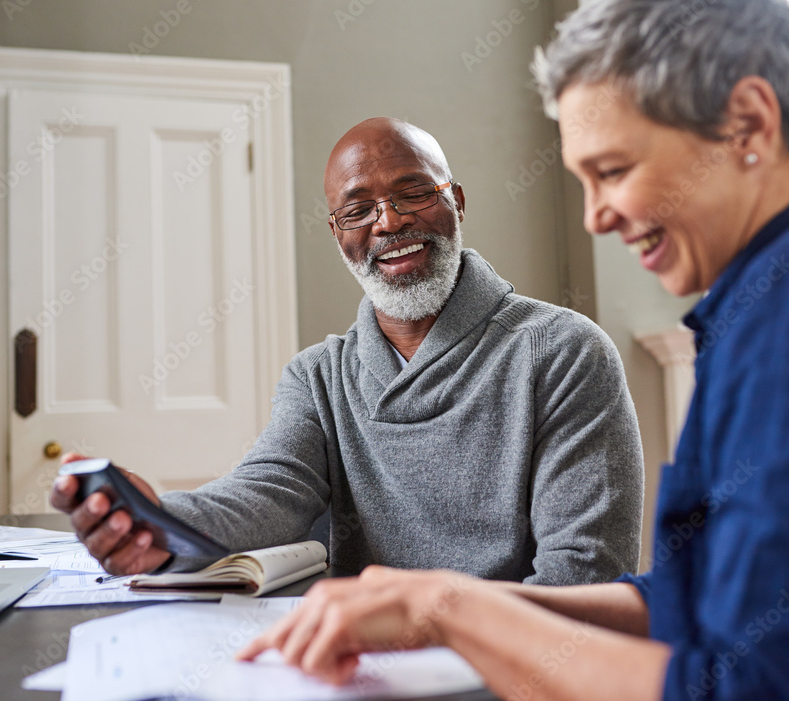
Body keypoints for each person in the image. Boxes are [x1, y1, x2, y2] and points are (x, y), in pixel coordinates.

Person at [238, 1, 789, 699]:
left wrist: (444, 608)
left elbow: (740, 686)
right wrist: (439, 603)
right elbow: (682, 601)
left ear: (749, 123)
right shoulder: (743, 314)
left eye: (613, 169)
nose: (594, 217)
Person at [51, 117, 645, 585]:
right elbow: (268, 494)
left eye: (413, 193)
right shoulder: (318, 377)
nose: (388, 223)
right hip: (357, 665)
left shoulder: (564, 351)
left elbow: (583, 579)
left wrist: (437, 629)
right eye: (358, 209)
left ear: (457, 202)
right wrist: (159, 518)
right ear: (339, 234)